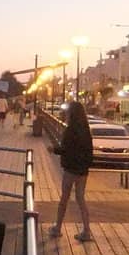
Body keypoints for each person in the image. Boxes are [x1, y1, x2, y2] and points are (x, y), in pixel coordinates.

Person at [48, 100, 94, 241]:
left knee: (64, 199)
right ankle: (86, 230)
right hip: (82, 170)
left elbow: (65, 149)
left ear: (71, 113)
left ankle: (57, 228)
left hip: (71, 168)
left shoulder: (70, 130)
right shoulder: (86, 130)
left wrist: (53, 149)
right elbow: (89, 151)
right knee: (80, 199)